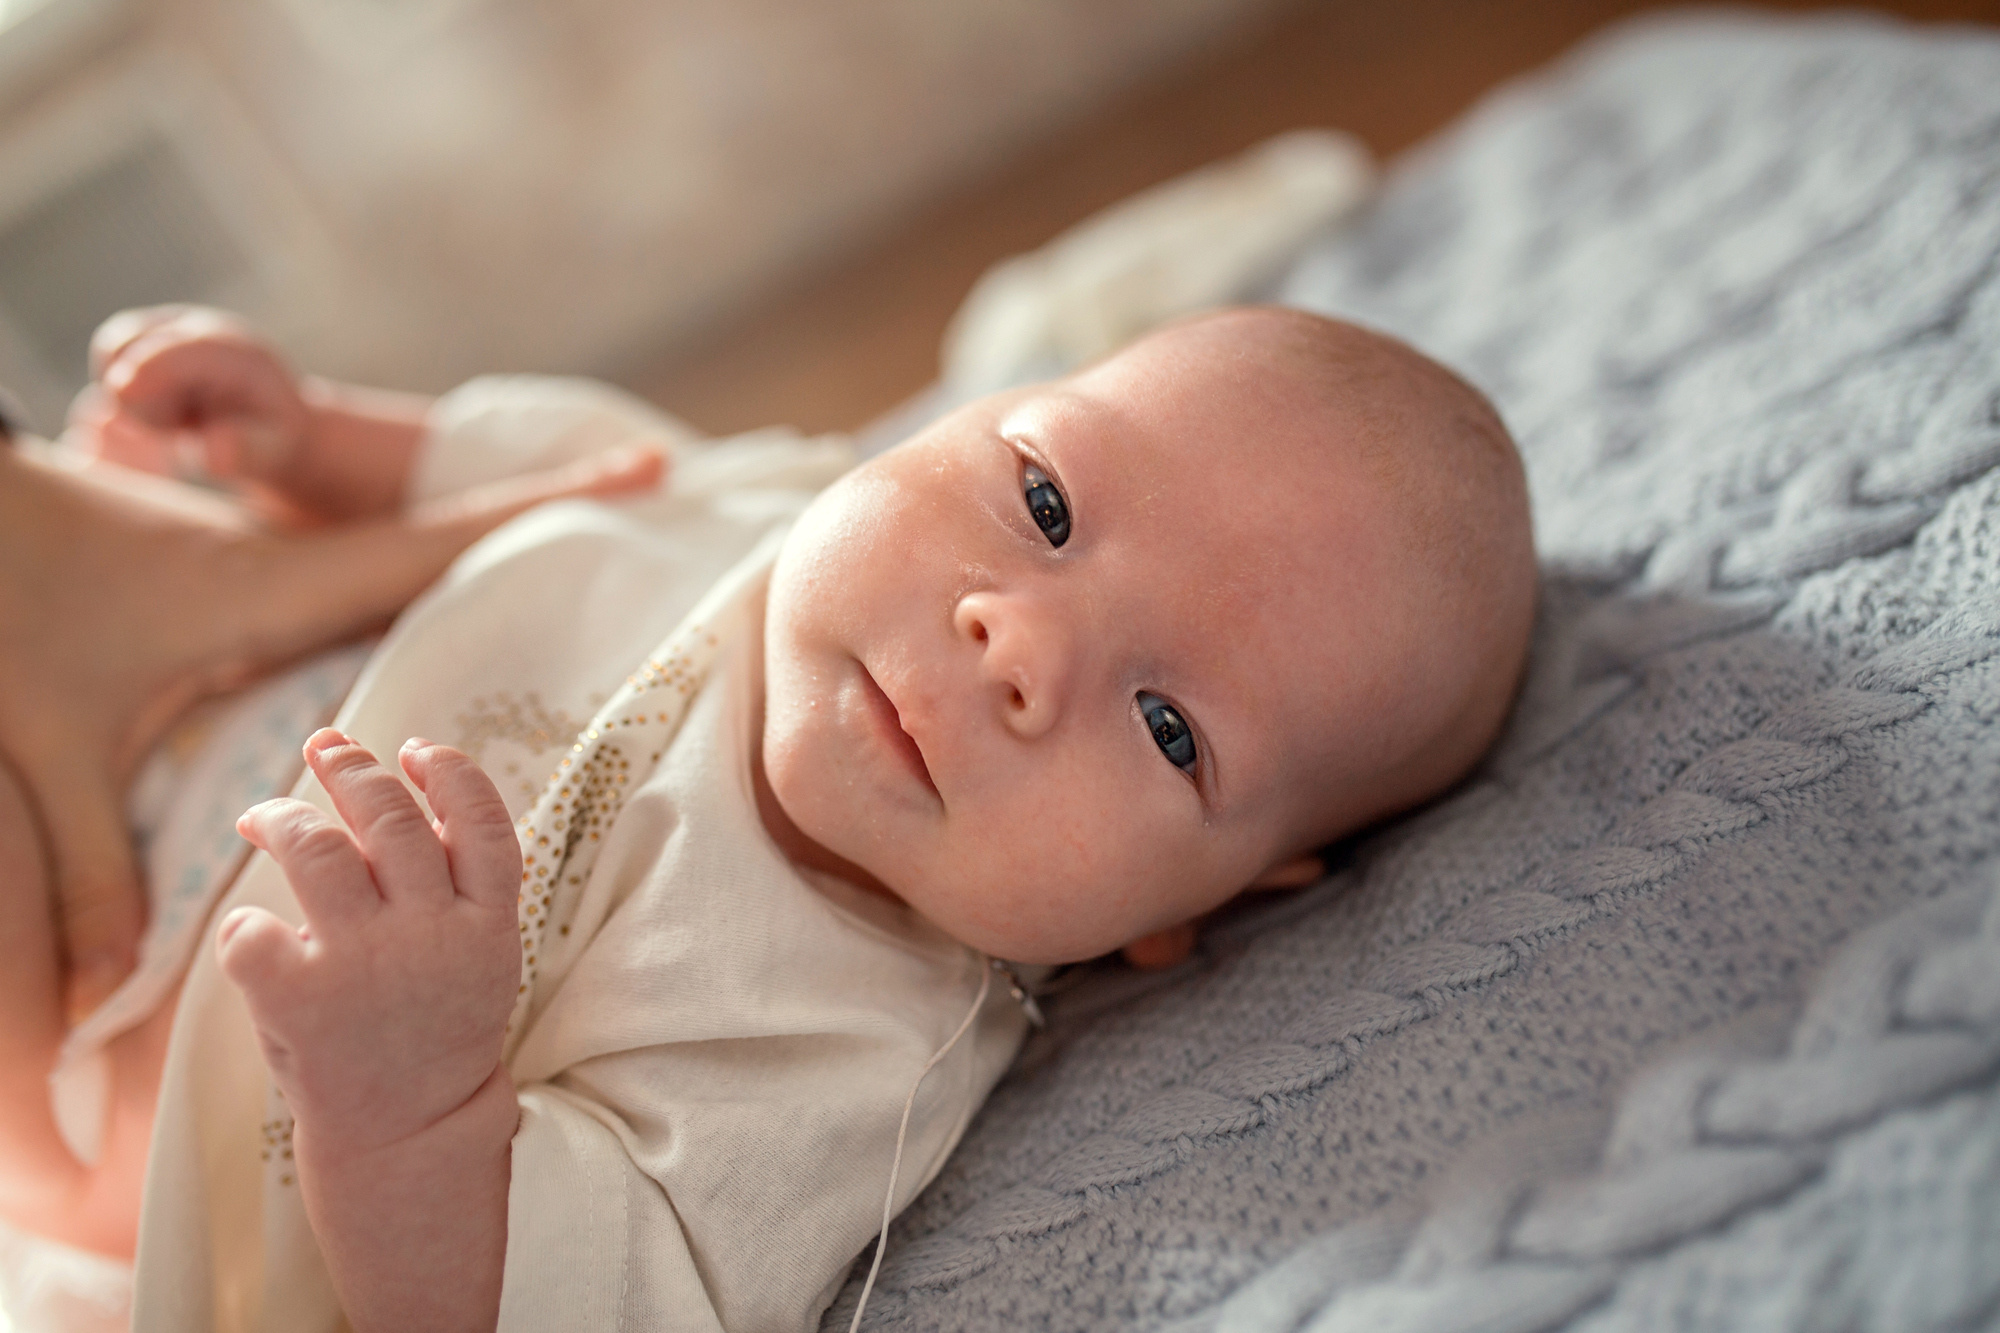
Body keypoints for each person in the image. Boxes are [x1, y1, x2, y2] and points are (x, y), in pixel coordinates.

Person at [2, 302, 1536, 1331]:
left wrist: (408, 1098)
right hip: (165, 696)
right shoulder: (770, 499)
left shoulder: (839, 1050)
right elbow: (532, 465)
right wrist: (304, 438)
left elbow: (540, 1299)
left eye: (1168, 726)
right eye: (1049, 506)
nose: (1022, 646)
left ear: (1194, 909)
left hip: (111, 1089)